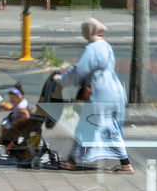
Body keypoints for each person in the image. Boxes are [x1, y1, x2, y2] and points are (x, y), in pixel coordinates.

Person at [55, 18, 132, 171]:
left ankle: (71, 161)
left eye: (84, 29)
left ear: (89, 30)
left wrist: (60, 79)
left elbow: (80, 70)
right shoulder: (106, 45)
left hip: (102, 92)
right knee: (112, 128)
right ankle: (126, 164)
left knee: (85, 126)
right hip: (115, 89)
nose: (82, 32)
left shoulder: (93, 48)